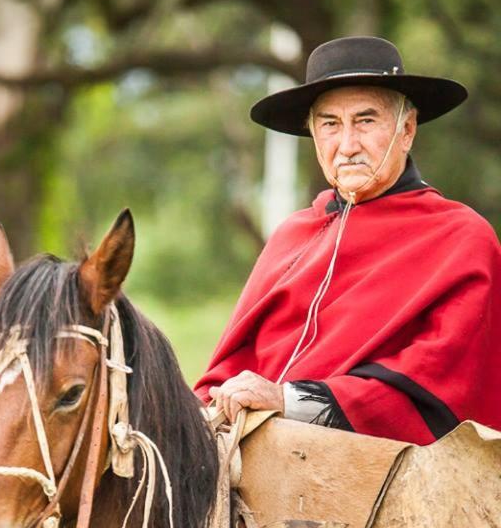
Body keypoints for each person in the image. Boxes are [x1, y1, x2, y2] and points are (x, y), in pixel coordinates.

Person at [194, 36, 501, 445]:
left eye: (366, 120)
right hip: (244, 456)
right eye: (330, 125)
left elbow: (442, 384)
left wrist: (287, 400)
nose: (347, 145)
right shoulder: (293, 235)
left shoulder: (461, 237)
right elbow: (226, 372)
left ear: (406, 130)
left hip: (383, 480)